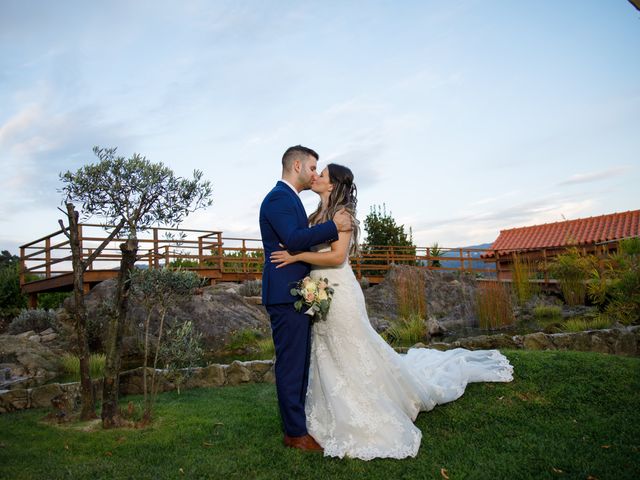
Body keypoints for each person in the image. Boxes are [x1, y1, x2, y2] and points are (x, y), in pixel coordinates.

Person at [270, 163, 514, 460]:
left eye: (322, 175)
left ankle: (368, 408)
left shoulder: (342, 215)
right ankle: (327, 412)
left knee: (351, 347)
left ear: (332, 185)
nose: (316, 177)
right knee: (327, 351)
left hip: (340, 290)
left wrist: (296, 254)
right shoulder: (315, 216)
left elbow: (335, 257)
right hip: (318, 290)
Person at [259, 146, 353, 452]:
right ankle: (295, 434)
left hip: (297, 293)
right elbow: (295, 239)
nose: (315, 173)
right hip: (286, 295)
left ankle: (298, 427)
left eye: (318, 171)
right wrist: (332, 227)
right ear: (296, 165)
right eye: (312, 167)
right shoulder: (278, 199)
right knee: (291, 365)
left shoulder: (292, 200)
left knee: (299, 364)